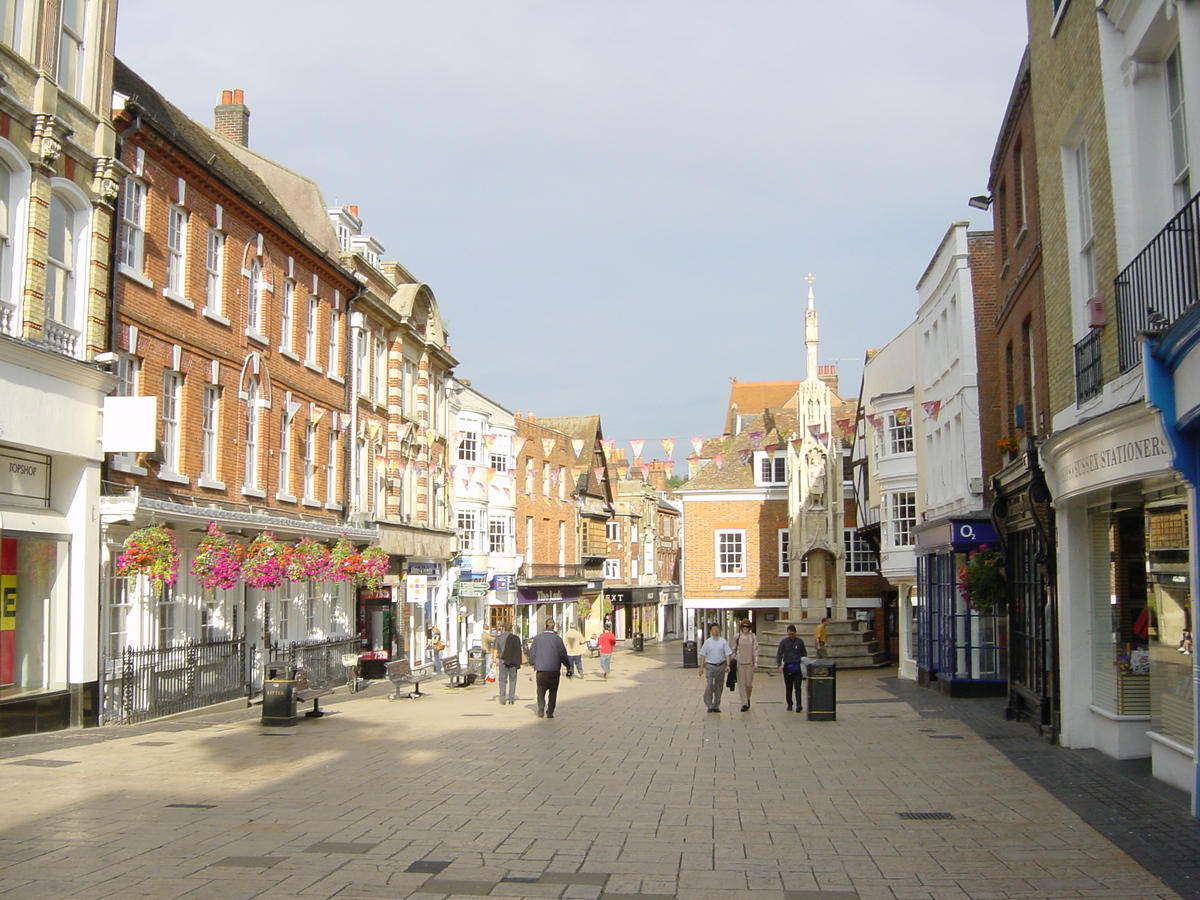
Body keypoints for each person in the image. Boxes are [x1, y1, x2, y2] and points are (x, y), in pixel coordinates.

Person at [526, 618, 572, 718]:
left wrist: (532, 663)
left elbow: (532, 652)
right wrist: (568, 666)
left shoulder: (538, 638)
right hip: (554, 669)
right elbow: (563, 654)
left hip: (541, 669)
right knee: (553, 691)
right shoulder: (557, 639)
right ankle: (550, 711)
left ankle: (541, 707)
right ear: (554, 626)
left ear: (545, 626)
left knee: (540, 689)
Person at [698, 623, 732, 713]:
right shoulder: (707, 642)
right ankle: (709, 704)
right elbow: (703, 655)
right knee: (710, 685)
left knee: (719, 686)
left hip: (720, 665)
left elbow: (727, 654)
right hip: (710, 666)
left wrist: (728, 665)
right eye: (714, 629)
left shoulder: (723, 642)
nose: (715, 630)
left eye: (717, 628)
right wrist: (701, 668)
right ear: (711, 631)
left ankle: (716, 705)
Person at [776, 624, 808, 712]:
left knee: (798, 686)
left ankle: (799, 704)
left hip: (797, 666)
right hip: (787, 665)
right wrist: (779, 665)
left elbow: (804, 654)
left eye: (792, 634)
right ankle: (789, 704)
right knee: (788, 686)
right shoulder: (784, 642)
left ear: (795, 633)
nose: (791, 636)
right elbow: (780, 653)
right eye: (789, 634)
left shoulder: (800, 642)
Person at [730, 620, 759, 711]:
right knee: (741, 684)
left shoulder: (753, 637)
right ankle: (744, 702)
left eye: (747, 626)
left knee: (749, 684)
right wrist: (733, 660)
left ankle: (747, 697)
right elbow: (733, 649)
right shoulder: (737, 637)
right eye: (743, 626)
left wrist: (756, 662)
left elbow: (755, 650)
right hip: (740, 663)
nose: (745, 628)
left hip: (749, 663)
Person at [493, 623, 523, 705]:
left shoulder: (499, 638)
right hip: (513, 661)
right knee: (513, 679)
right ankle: (511, 698)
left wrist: (494, 661)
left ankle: (502, 692)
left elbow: (495, 650)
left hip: (503, 661)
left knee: (502, 678)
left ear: (503, 628)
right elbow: (518, 651)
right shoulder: (516, 638)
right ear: (511, 628)